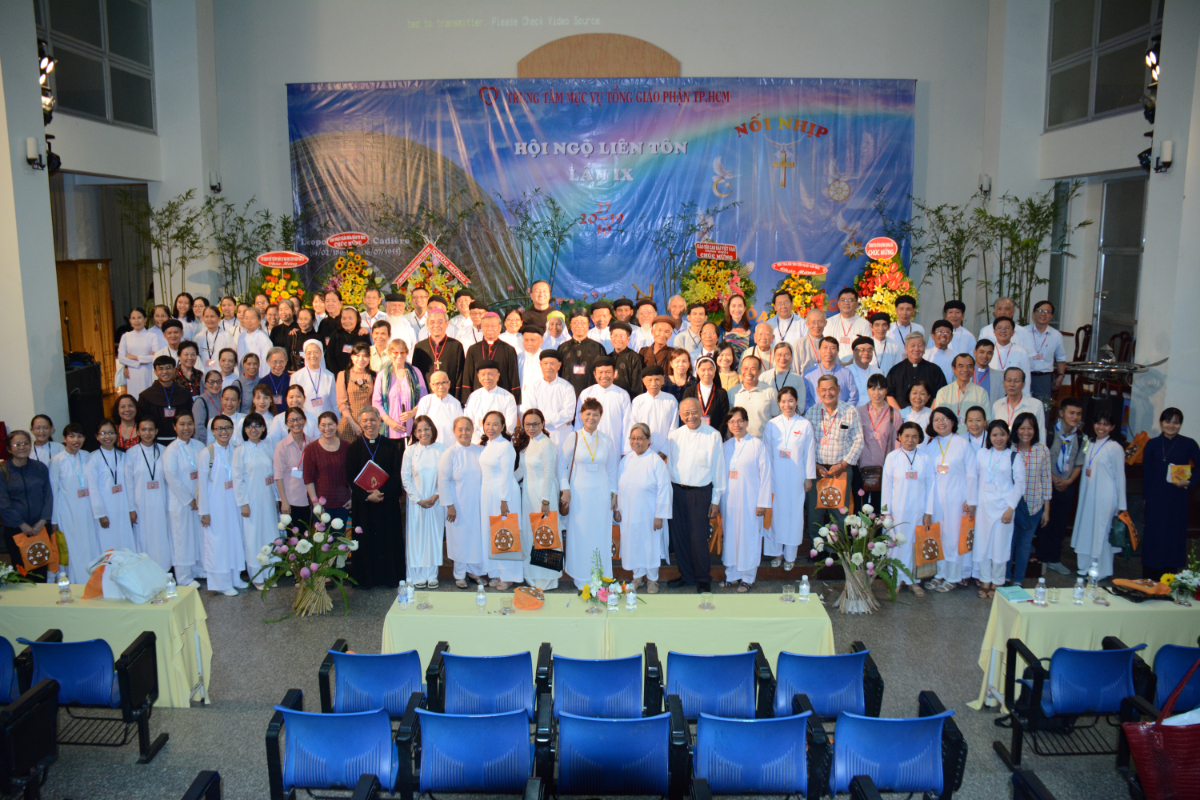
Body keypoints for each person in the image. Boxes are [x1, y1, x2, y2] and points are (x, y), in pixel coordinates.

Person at [558, 398, 620, 589]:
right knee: (580, 534)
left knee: (600, 534)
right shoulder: (574, 437)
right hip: (579, 494)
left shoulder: (607, 439)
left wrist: (614, 493)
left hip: (601, 494)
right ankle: (581, 576)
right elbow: (561, 466)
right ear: (581, 415)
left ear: (601, 417)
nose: (591, 418)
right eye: (588, 414)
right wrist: (565, 489)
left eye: (596, 414)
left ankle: (601, 576)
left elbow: (612, 470)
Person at [666, 397, 726, 592]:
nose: (690, 416)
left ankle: (703, 578)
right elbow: (670, 466)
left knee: (698, 538)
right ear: (680, 415)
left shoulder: (713, 435)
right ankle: (687, 575)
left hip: (700, 493)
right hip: (677, 491)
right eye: (686, 413)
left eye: (694, 412)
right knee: (680, 537)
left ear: (701, 412)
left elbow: (718, 468)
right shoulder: (675, 435)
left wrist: (716, 499)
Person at [346, 406, 406, 589]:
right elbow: (351, 476)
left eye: (373, 420)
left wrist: (382, 493)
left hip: (386, 503)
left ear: (379, 421)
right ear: (360, 423)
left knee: (388, 540)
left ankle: (390, 579)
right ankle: (366, 580)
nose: (369, 424)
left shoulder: (391, 446)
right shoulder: (353, 448)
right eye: (365, 420)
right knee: (366, 542)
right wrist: (367, 496)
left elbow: (396, 474)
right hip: (363, 505)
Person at [922, 408, 977, 591]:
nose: (941, 423)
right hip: (936, 499)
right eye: (936, 419)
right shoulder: (930, 445)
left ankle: (953, 576)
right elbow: (928, 477)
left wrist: (971, 500)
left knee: (954, 538)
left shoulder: (963, 443)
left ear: (953, 421)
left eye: (945, 419)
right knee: (938, 536)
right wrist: (927, 507)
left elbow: (972, 474)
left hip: (957, 498)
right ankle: (940, 574)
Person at [717, 407, 772, 591]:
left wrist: (762, 503)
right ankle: (732, 575)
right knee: (731, 538)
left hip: (750, 502)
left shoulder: (757, 445)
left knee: (749, 538)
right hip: (729, 502)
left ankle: (748, 577)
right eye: (732, 421)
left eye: (740, 420)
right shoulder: (726, 447)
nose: (736, 425)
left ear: (747, 422)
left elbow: (766, 475)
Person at [1141, 406, 1199, 577]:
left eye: (1176, 423)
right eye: (1168, 421)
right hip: (1155, 499)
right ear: (1161, 423)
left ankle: (1169, 578)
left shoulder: (1189, 444)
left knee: (1173, 537)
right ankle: (1149, 577)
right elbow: (1146, 474)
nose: (1171, 426)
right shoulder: (1152, 444)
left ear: (1180, 425)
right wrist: (1145, 499)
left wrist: (1189, 482)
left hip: (1177, 499)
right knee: (1153, 536)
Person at [969, 420, 1025, 598]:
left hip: (1004, 509)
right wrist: (971, 502)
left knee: (1000, 545)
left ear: (1008, 436)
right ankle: (985, 580)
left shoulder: (1013, 456)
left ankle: (998, 581)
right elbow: (973, 478)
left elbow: (1020, 484)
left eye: (1002, 434)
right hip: (984, 508)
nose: (998, 438)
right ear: (989, 436)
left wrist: (1011, 508)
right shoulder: (982, 454)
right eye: (994, 434)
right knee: (983, 544)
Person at [1070, 408, 1127, 579]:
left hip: (1106, 497)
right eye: (1098, 423)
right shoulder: (1090, 443)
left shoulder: (1115, 447)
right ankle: (1085, 565)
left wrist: (1122, 505)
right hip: (1088, 494)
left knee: (1101, 531)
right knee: (1087, 529)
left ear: (1112, 427)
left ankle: (1101, 569)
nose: (1101, 427)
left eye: (1106, 424)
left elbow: (1120, 477)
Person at [804, 375, 863, 540]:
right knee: (815, 514)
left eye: (831, 389)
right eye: (823, 389)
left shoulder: (850, 412)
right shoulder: (812, 412)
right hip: (817, 471)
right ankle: (817, 549)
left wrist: (843, 465)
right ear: (818, 391)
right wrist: (815, 465)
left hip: (841, 470)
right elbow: (806, 444)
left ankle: (839, 551)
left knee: (840, 515)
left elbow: (858, 441)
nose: (827, 393)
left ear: (838, 389)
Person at [616, 422, 673, 593]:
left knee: (650, 546)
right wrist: (617, 509)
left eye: (640, 438)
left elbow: (664, 489)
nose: (636, 442)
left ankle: (652, 579)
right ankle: (638, 576)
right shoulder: (626, 460)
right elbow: (618, 486)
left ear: (648, 440)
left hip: (650, 514)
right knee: (634, 544)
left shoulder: (656, 461)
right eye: (633, 438)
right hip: (629, 513)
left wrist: (659, 515)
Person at [764, 386, 815, 570]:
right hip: (775, 477)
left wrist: (808, 477)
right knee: (776, 515)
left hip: (796, 478)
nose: (787, 405)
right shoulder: (772, 424)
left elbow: (809, 452)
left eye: (791, 401)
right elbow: (766, 453)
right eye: (783, 401)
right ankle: (777, 553)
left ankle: (790, 556)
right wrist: (766, 478)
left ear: (797, 401)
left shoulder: (804, 424)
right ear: (779, 403)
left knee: (794, 515)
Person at [197, 414, 247, 596]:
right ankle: (221, 583)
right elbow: (201, 484)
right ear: (213, 431)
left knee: (234, 540)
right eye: (219, 428)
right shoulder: (207, 453)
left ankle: (235, 577)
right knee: (218, 543)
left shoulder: (236, 450)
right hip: (215, 506)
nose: (223, 432)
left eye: (227, 428)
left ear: (233, 430)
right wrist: (204, 511)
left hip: (233, 504)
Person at [515, 409, 563, 590]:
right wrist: (503, 485)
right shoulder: (529, 444)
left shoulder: (546, 444)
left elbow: (549, 473)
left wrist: (545, 501)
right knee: (531, 535)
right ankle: (533, 574)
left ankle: (547, 577)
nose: (531, 428)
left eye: (535, 424)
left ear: (542, 424)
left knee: (546, 535)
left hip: (544, 495)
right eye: (528, 424)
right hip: (529, 495)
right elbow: (521, 471)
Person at [477, 410, 523, 589]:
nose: (491, 427)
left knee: (506, 532)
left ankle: (508, 575)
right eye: (488, 424)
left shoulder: (505, 446)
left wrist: (504, 500)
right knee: (492, 532)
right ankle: (495, 572)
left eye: (495, 424)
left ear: (503, 426)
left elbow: (507, 475)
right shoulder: (488, 445)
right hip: (488, 494)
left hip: (504, 494)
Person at [49, 423, 100, 583]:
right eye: (71, 436)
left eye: (80, 436)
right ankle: (75, 582)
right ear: (64, 438)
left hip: (88, 510)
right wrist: (54, 520)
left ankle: (92, 581)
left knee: (90, 545)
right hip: (68, 512)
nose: (76, 440)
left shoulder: (87, 456)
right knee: (73, 548)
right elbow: (54, 491)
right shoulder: (57, 460)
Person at [0, 430, 53, 580]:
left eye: (25, 443)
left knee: (41, 571)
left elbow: (48, 496)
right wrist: (22, 525)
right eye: (17, 444)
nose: (22, 447)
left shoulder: (40, 467)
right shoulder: (3, 471)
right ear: (9, 448)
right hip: (16, 530)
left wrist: (42, 521)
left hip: (40, 529)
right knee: (22, 573)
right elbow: (3, 503)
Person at [232, 413, 277, 590]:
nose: (254, 430)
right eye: (250, 426)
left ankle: (270, 574)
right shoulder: (240, 450)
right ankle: (257, 576)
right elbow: (237, 479)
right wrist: (244, 503)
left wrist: (277, 498)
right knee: (253, 537)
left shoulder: (268, 446)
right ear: (244, 430)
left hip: (268, 499)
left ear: (264, 428)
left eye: (258, 426)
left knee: (270, 535)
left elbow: (274, 474)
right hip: (251, 501)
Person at [401, 414, 446, 588]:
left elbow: (445, 475)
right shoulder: (410, 451)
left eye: (426, 428)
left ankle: (431, 574)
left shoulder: (441, 449)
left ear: (432, 430)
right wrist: (418, 499)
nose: (423, 433)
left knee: (434, 536)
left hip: (435, 500)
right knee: (417, 537)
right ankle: (417, 575)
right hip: (416, 502)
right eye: (419, 430)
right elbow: (406, 477)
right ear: (414, 433)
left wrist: (436, 495)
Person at [440, 417, 485, 586]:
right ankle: (459, 575)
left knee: (475, 539)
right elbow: (443, 480)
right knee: (459, 539)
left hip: (477, 504)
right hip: (458, 505)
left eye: (467, 429)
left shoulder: (479, 451)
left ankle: (475, 572)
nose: (464, 433)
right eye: (460, 429)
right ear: (454, 431)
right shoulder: (450, 453)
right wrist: (449, 506)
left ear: (473, 431)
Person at [1009, 412, 1051, 587]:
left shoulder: (1042, 450)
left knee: (1025, 545)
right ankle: (1005, 577)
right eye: (1022, 428)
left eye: (1030, 428)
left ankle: (1018, 580)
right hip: (1012, 506)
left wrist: (1046, 510)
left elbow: (1046, 480)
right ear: (1016, 430)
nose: (1026, 432)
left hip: (1034, 505)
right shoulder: (1009, 449)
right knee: (1009, 543)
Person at [126, 418, 173, 572]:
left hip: (161, 501)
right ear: (138, 432)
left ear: (156, 431)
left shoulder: (164, 451)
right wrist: (131, 508)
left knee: (162, 535)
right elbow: (128, 483)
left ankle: (164, 570)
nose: (147, 433)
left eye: (151, 429)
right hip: (141, 504)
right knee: (143, 536)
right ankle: (145, 571)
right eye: (143, 429)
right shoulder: (131, 453)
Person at [164, 411, 204, 586]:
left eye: (189, 424)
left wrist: (202, 497)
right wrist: (189, 499)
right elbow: (171, 477)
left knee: (198, 536)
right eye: (182, 424)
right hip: (181, 503)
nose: (186, 428)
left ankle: (199, 569)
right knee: (182, 538)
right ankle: (184, 577)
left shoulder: (199, 446)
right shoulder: (171, 450)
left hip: (199, 500)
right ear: (175, 427)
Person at [86, 420, 138, 553]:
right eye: (103, 433)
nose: (107, 436)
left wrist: (131, 508)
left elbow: (129, 483)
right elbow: (93, 488)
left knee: (125, 541)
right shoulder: (93, 458)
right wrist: (100, 514)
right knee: (108, 543)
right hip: (106, 508)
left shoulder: (123, 456)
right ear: (97, 436)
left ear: (116, 435)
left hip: (122, 505)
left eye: (111, 433)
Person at [857, 374, 904, 512]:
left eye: (881, 389)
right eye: (873, 389)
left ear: (886, 390)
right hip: (861, 469)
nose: (877, 393)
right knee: (860, 510)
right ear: (867, 390)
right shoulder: (858, 412)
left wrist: (893, 468)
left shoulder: (894, 414)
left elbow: (897, 444)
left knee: (880, 510)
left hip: (884, 470)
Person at [575, 357, 631, 455]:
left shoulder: (622, 395)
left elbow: (627, 424)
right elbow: (579, 422)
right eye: (600, 372)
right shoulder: (586, 393)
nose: (604, 376)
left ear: (614, 374)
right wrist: (578, 446)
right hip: (589, 446)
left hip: (614, 446)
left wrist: (625, 451)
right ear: (594, 374)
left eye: (608, 372)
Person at [521, 351, 577, 448]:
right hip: (539, 435)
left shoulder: (567, 387)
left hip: (562, 436)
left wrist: (541, 422)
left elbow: (569, 414)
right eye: (545, 363)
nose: (548, 367)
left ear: (559, 366)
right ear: (541, 365)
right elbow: (530, 412)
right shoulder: (533, 387)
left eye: (552, 364)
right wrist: (556, 420)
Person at [303, 412, 351, 524]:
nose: (327, 428)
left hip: (343, 503)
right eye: (323, 425)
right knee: (322, 535)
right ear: (318, 427)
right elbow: (308, 479)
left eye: (330, 424)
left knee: (340, 534)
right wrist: (315, 502)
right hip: (321, 505)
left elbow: (352, 475)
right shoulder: (311, 449)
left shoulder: (347, 447)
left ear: (337, 425)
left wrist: (351, 498)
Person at [462, 312, 521, 401]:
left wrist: (515, 400)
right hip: (478, 398)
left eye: (493, 326)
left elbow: (513, 377)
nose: (490, 329)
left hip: (502, 398)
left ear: (500, 328)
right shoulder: (473, 349)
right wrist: (466, 400)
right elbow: (468, 376)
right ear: (481, 328)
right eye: (486, 326)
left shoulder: (509, 350)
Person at [413, 307, 466, 399]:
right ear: (427, 325)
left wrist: (457, 398)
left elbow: (461, 375)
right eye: (432, 322)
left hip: (450, 396)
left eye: (440, 322)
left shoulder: (456, 346)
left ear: (447, 324)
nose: (436, 325)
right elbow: (416, 375)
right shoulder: (420, 347)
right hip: (426, 397)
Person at [886, 333, 947, 410]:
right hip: (901, 415)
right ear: (906, 348)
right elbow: (889, 395)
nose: (916, 349)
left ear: (924, 348)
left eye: (920, 345)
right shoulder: (895, 370)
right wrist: (900, 414)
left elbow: (941, 394)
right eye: (913, 345)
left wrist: (930, 413)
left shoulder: (935, 370)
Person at [626, 365, 678, 455]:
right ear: (644, 381)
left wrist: (664, 452)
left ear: (663, 381)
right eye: (649, 380)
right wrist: (642, 450)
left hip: (666, 453)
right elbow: (634, 427)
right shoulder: (638, 401)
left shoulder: (671, 400)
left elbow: (673, 429)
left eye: (657, 379)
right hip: (642, 452)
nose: (653, 384)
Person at [464, 360, 519, 444]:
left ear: (498, 376)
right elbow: (468, 422)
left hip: (500, 443)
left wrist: (494, 441)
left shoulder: (508, 397)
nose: (486, 378)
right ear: (478, 377)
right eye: (483, 374)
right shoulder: (473, 396)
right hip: (477, 444)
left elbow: (510, 425)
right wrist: (480, 441)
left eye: (490, 374)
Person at [273, 407, 312, 526]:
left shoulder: (313, 443)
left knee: (310, 536)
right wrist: (284, 501)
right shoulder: (282, 446)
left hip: (309, 500)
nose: (295, 423)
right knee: (293, 536)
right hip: (290, 501)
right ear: (286, 424)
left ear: (304, 420)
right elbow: (278, 476)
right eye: (291, 420)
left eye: (299, 419)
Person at [1025, 300, 1068, 403]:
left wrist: (1061, 376)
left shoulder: (1056, 335)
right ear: (1033, 313)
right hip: (1025, 375)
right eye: (1040, 311)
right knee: (1024, 406)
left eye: (1047, 312)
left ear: (1051, 316)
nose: (1043, 314)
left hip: (1044, 377)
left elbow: (1061, 358)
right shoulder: (1023, 332)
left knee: (1043, 407)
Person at [137, 356, 183, 445]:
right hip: (154, 442)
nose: (165, 372)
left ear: (174, 370)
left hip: (180, 441)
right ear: (155, 372)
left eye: (168, 368)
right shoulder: (145, 396)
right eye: (161, 369)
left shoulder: (184, 394)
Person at [729, 354, 777, 438]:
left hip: (763, 442)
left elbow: (777, 420)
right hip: (739, 442)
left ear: (759, 371)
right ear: (741, 369)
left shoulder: (770, 391)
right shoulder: (732, 393)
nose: (748, 372)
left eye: (753, 369)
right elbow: (728, 422)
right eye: (745, 368)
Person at [336, 343, 376, 443]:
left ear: (369, 358)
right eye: (357, 355)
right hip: (348, 423)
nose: (361, 359)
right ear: (352, 357)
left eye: (365, 356)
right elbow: (342, 403)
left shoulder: (374, 376)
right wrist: (353, 424)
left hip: (368, 424)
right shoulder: (343, 375)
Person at [804, 337, 858, 407]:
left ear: (837, 351)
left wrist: (845, 410)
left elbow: (854, 396)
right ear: (819, 350)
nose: (828, 351)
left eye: (832, 348)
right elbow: (804, 398)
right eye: (825, 348)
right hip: (816, 412)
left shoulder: (846, 373)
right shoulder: (809, 374)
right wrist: (811, 412)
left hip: (842, 412)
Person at [934, 354, 991, 421]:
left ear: (973, 369)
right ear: (953, 369)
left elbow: (986, 420)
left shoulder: (981, 393)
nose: (965, 369)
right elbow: (938, 418)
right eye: (961, 366)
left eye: (969, 366)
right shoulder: (943, 392)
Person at [118, 308, 159, 397]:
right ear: (130, 321)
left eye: (139, 317)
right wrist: (142, 361)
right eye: (133, 318)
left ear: (145, 319)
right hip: (132, 373)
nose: (136, 321)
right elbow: (121, 358)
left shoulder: (152, 336)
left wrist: (134, 358)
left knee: (148, 396)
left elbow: (155, 356)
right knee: (134, 397)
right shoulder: (126, 336)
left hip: (148, 371)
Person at [823, 287, 872, 364]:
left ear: (856, 304)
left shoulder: (864, 324)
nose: (846, 303)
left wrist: (851, 364)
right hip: (833, 365)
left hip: (857, 366)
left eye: (851, 300)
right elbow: (826, 346)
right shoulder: (829, 323)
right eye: (843, 300)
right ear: (838, 303)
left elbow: (867, 348)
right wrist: (838, 363)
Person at [415, 370, 464, 445]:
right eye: (437, 383)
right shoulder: (425, 401)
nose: (441, 387)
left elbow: (461, 426)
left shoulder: (455, 403)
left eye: (444, 383)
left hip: (450, 446)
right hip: (430, 446)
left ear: (449, 384)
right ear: (431, 386)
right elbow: (418, 425)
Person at [993, 367, 1045, 439]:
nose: (1012, 384)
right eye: (1009, 380)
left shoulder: (1036, 405)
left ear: (1023, 384)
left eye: (1016, 381)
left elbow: (1041, 434)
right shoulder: (997, 405)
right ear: (1004, 383)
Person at [683, 356, 730, 433]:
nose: (707, 373)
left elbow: (724, 419)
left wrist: (717, 436)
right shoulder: (690, 391)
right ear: (697, 371)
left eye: (710, 369)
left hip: (714, 435)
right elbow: (684, 414)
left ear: (715, 370)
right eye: (703, 370)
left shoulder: (721, 393)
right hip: (693, 434)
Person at [298, 339, 338, 419]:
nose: (312, 355)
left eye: (316, 352)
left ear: (321, 353)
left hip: (326, 421)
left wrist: (337, 420)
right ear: (305, 355)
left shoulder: (329, 376)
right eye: (309, 353)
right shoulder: (297, 377)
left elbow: (334, 403)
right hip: (305, 420)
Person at [989, 317, 1032, 389]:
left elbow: (1026, 378)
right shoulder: (989, 351)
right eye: (1000, 328)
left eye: (1007, 328)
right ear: (994, 332)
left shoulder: (1021, 352)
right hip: (992, 389)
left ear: (1013, 332)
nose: (1003, 331)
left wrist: (1025, 395)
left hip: (1014, 390)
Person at [324, 306, 369, 375]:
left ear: (357, 319)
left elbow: (368, 356)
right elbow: (330, 357)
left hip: (359, 375)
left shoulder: (363, 334)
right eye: (344, 318)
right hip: (338, 375)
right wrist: (339, 374)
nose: (347, 321)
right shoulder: (335, 335)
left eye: (350, 318)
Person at [608, 321, 644, 398]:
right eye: (615, 336)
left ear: (628, 339)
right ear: (611, 337)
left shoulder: (635, 358)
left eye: (622, 336)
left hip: (628, 400)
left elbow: (637, 386)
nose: (618, 339)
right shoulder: (607, 358)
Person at [768, 290, 805, 359]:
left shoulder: (803, 324)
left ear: (792, 304)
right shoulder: (768, 324)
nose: (783, 306)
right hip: (774, 362)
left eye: (786, 302)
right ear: (775, 307)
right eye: (779, 303)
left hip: (796, 361)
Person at [847, 336, 883, 404]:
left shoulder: (878, 372)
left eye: (869, 350)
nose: (866, 353)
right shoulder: (846, 372)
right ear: (854, 352)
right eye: (862, 350)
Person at [972, 339, 1005, 410]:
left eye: (989, 353)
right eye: (982, 352)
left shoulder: (999, 376)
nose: (985, 356)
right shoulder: (964, 373)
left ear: (992, 355)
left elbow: (1001, 401)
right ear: (975, 352)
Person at [287, 308, 321, 373]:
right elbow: (287, 356)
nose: (302, 322)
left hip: (313, 372)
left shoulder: (318, 338)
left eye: (306, 319)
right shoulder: (293, 336)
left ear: (313, 320)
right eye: (300, 319)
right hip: (294, 373)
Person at [795, 308, 827, 374]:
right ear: (807, 324)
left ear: (825, 323)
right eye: (813, 322)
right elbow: (795, 371)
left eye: (820, 322)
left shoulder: (830, 344)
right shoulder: (800, 344)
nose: (816, 326)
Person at [259, 348, 290, 415]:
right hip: (268, 417)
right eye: (274, 362)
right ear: (268, 362)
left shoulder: (291, 380)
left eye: (281, 361)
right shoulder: (263, 382)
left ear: (286, 361)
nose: (278, 365)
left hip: (287, 416)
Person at [517, 324, 546, 395]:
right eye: (526, 340)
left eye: (532, 340)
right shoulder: (518, 358)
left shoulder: (546, 359)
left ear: (541, 342)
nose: (529, 343)